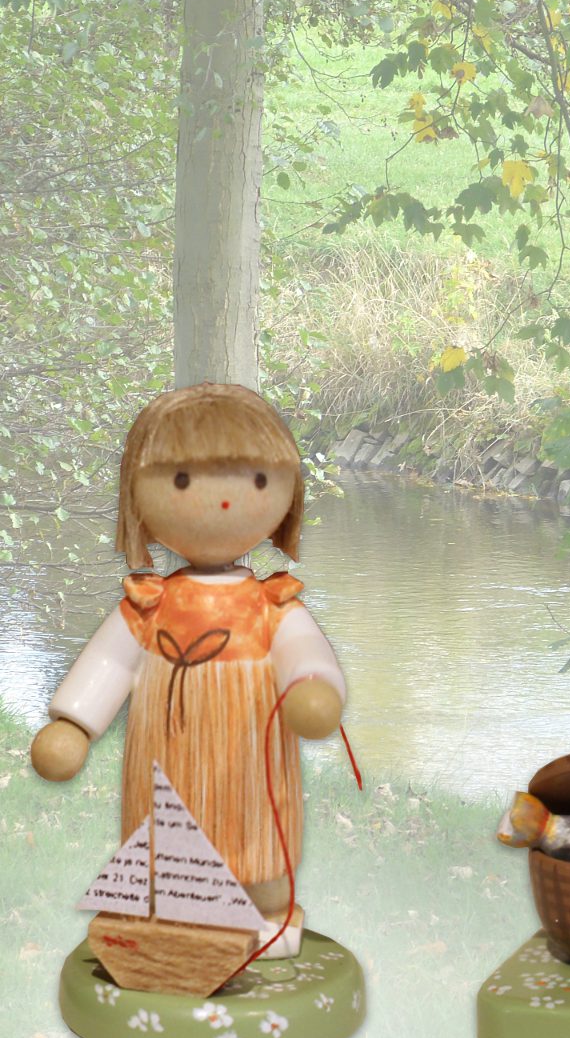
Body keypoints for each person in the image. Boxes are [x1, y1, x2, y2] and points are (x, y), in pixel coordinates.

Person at [30, 382, 346, 958]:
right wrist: (74, 723)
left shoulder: (271, 605)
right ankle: (171, 919)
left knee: (256, 841)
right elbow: (109, 661)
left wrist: (312, 686)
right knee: (163, 845)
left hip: (251, 757)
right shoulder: (149, 604)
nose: (221, 500)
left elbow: (303, 650)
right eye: (181, 480)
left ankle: (266, 908)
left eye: (255, 480)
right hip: (166, 754)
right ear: (138, 494)